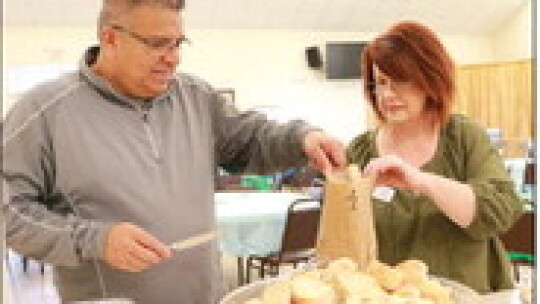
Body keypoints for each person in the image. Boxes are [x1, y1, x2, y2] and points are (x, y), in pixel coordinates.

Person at [2, 1, 346, 303]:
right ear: (110, 38)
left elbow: (251, 139)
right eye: (156, 44)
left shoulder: (196, 97)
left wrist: (302, 138)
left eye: (178, 43)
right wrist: (96, 241)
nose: (172, 58)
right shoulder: (43, 112)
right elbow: (10, 211)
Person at [348, 21, 524, 293]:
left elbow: (499, 213)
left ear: (431, 79)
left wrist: (421, 181)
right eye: (381, 82)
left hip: (467, 295)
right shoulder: (360, 152)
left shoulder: (464, 138)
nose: (388, 94)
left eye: (401, 80)